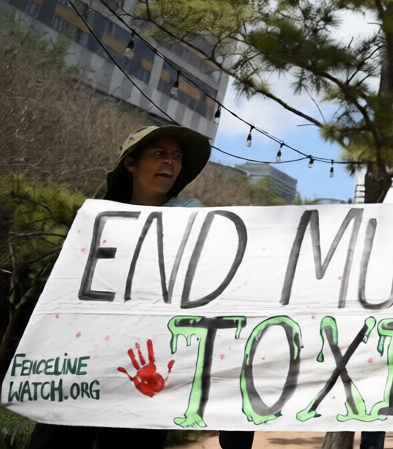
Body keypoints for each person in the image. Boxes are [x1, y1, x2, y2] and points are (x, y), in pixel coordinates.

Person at [27, 125, 254, 449]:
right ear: (131, 163)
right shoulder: (96, 219)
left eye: (177, 156)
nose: (170, 161)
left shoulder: (192, 214)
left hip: (149, 365)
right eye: (159, 153)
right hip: (85, 359)